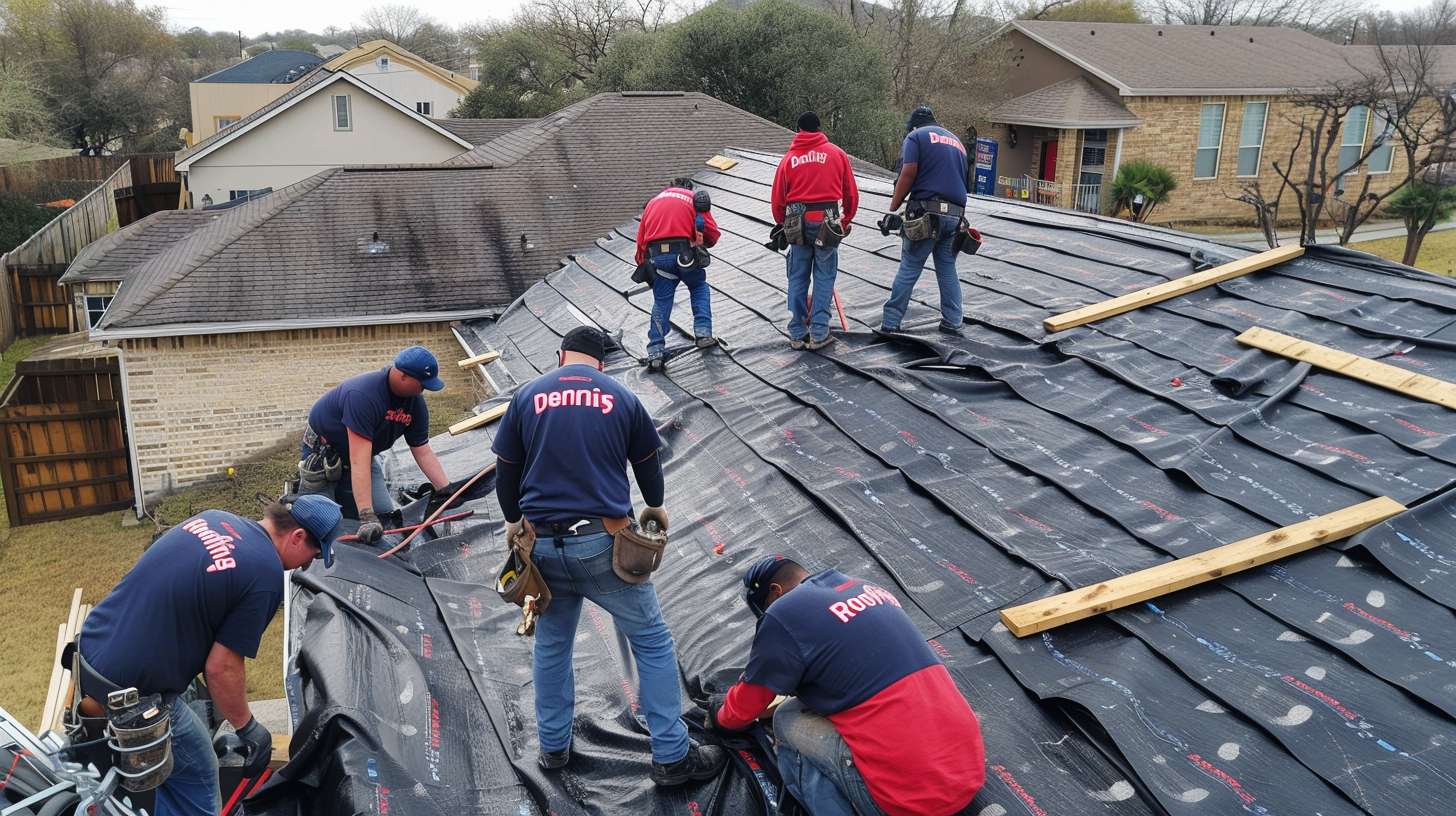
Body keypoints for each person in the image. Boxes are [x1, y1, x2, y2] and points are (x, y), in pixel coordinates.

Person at [492, 326, 726, 785]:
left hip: (543, 549)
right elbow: (646, 463)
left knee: (553, 646)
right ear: (601, 362)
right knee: (652, 642)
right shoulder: (620, 396)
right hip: (604, 546)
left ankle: (554, 749)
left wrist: (512, 519)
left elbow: (507, 470)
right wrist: (655, 504)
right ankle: (672, 757)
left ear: (562, 355)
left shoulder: (527, 396)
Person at [75, 495, 345, 816]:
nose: (305, 565)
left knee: (178, 744)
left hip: (91, 648)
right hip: (132, 695)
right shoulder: (265, 574)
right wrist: (248, 728)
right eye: (312, 555)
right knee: (199, 770)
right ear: (297, 536)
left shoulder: (216, 518)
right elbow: (221, 668)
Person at [707, 556, 985, 816]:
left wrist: (720, 715)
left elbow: (743, 709)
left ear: (776, 592)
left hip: (910, 800)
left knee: (787, 717)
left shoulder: (783, 612)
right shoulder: (865, 587)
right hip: (966, 773)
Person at [300, 346, 451, 543]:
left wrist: (446, 490)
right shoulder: (363, 395)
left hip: (362, 459)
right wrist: (366, 515)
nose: (423, 390)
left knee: (384, 517)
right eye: (421, 384)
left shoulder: (415, 403)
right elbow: (358, 461)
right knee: (321, 525)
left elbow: (422, 451)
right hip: (324, 460)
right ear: (403, 376)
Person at [879, 106, 970, 336]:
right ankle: (953, 320)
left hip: (926, 215)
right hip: (955, 216)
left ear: (915, 125)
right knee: (947, 268)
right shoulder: (957, 142)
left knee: (910, 266)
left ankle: (890, 323)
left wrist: (893, 208)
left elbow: (908, 172)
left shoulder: (916, 136)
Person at [771, 112, 859, 351]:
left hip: (797, 221)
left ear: (798, 130)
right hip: (828, 220)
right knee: (824, 276)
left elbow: (778, 200)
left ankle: (798, 333)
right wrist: (846, 218)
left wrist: (783, 224)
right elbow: (851, 192)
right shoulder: (836, 154)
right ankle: (820, 332)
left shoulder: (789, 159)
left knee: (797, 276)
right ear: (819, 129)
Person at [636, 178, 721, 371]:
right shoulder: (694, 199)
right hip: (685, 255)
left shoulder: (653, 202)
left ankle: (656, 350)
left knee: (662, 301)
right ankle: (702, 333)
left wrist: (643, 265)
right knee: (698, 286)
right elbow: (712, 233)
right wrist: (704, 244)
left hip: (657, 258)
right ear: (688, 188)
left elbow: (641, 241)